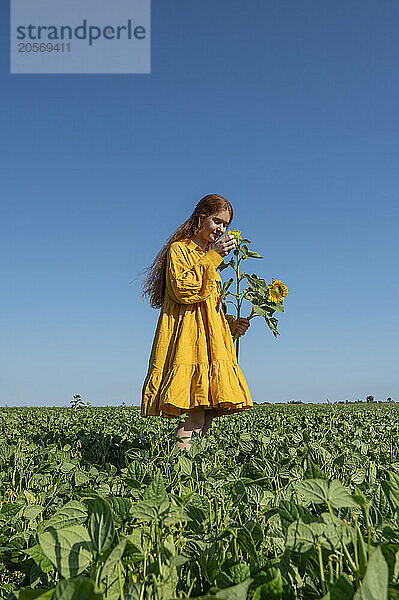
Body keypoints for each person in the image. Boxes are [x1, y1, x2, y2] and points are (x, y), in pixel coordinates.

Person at [140, 194, 253, 450]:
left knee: (209, 410)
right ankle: (179, 469)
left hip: (211, 343)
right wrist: (213, 257)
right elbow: (183, 289)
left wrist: (232, 325)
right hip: (189, 341)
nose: (221, 229)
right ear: (201, 217)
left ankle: (194, 469)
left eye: (225, 224)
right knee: (194, 412)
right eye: (217, 221)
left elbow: (211, 307)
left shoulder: (207, 256)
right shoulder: (179, 250)